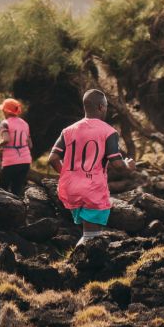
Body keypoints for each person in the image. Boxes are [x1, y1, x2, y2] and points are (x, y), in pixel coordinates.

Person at [50, 89, 135, 246]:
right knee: (91, 236)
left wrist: (68, 175)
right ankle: (79, 262)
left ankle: (83, 261)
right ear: (101, 107)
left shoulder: (68, 130)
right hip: (92, 188)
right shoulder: (109, 132)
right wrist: (128, 166)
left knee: (89, 232)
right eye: (107, 106)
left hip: (70, 187)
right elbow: (117, 164)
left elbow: (53, 158)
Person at [0, 98, 33, 195]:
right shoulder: (25, 124)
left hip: (11, 162)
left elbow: (6, 139)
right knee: (17, 190)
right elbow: (30, 145)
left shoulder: (5, 123)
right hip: (25, 161)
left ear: (5, 111)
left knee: (2, 190)